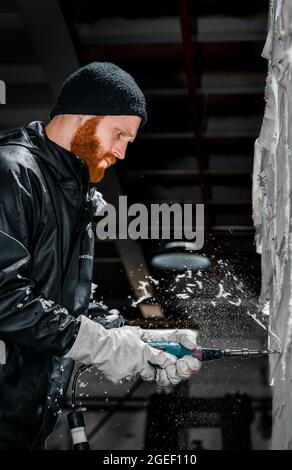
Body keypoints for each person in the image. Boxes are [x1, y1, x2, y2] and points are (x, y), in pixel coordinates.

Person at [0, 62, 201, 449]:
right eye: (119, 133)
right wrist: (100, 345)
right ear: (84, 115)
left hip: (23, 430)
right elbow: (5, 298)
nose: (122, 152)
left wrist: (142, 344)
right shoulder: (12, 173)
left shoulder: (77, 200)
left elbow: (66, 313)